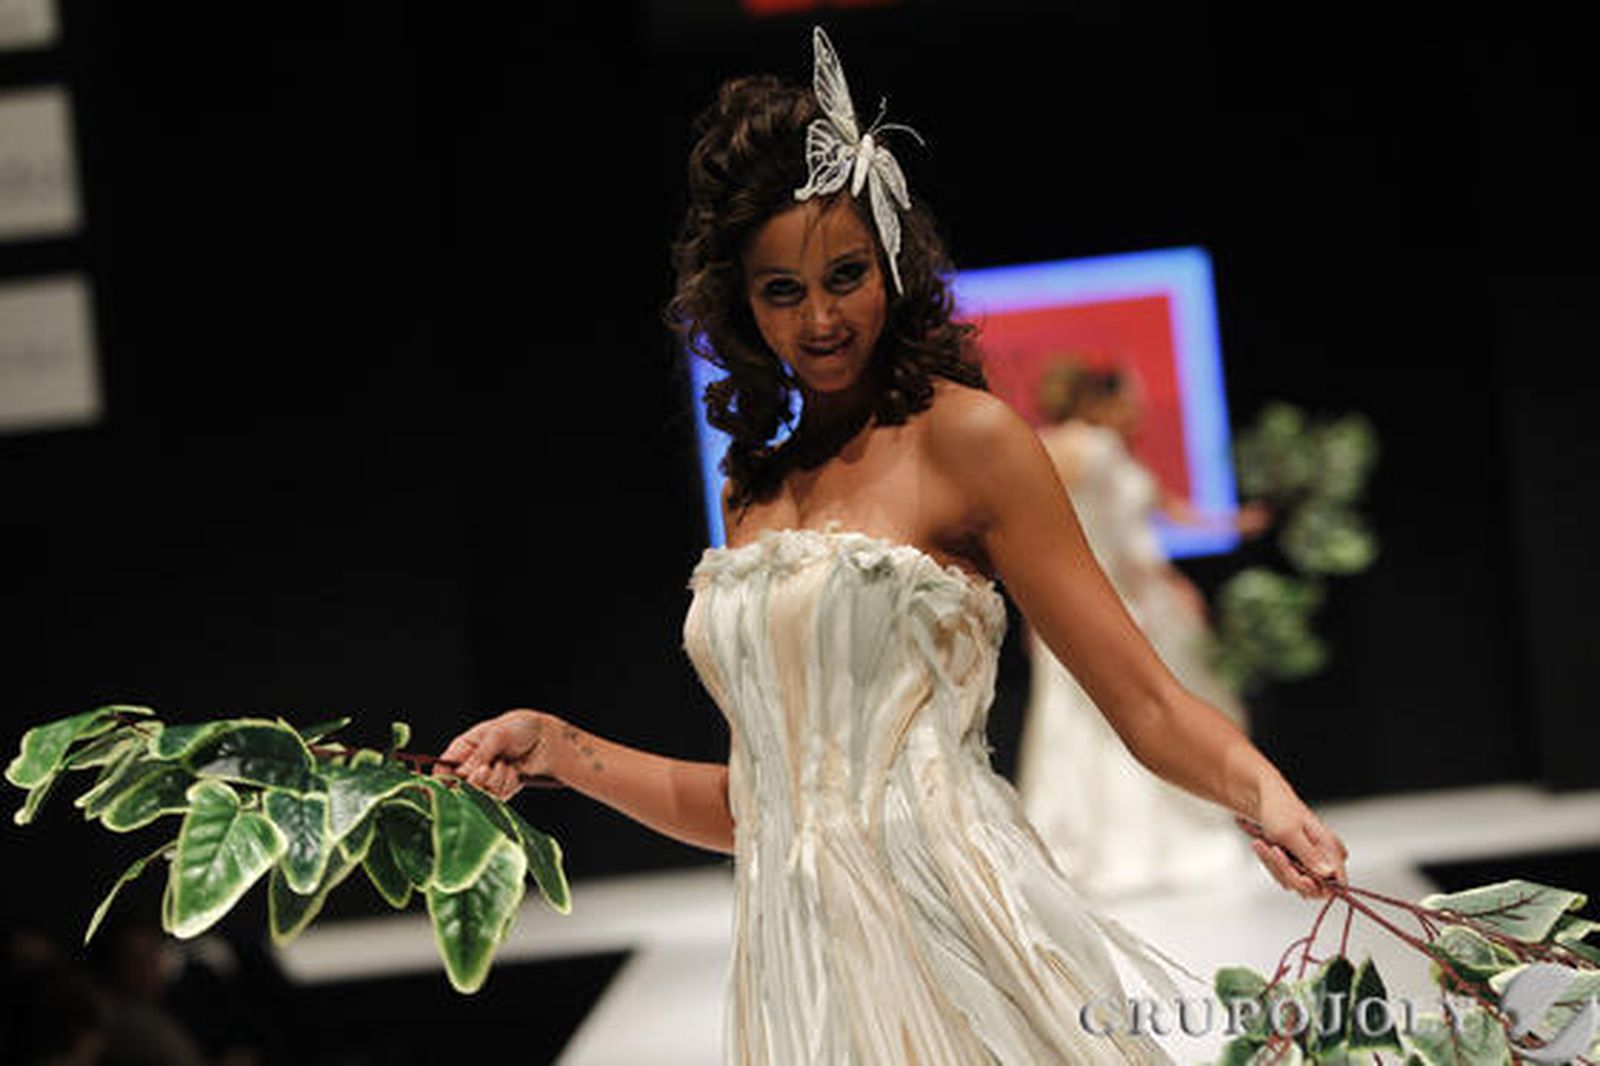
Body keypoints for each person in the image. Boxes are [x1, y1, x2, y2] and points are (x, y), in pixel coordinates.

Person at [439, 28, 1347, 1064]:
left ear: (892, 266)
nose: (821, 316)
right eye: (783, 290)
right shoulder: (752, 488)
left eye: (846, 274)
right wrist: (557, 746)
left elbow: (1138, 697)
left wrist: (1261, 790)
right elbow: (763, 804)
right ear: (743, 303)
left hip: (955, 922)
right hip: (801, 970)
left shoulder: (970, 440)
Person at [1016, 361, 1268, 900]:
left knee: (1070, 722)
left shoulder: (1042, 447)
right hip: (1123, 602)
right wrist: (1164, 586)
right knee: (1140, 713)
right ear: (1099, 401)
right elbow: (1124, 541)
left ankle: (1071, 843)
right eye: (1129, 398)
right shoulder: (1102, 451)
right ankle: (1140, 841)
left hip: (1063, 606)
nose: (1138, 410)